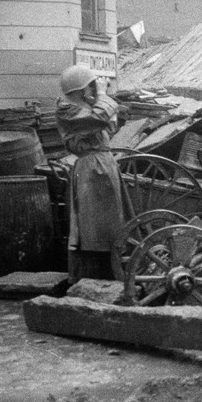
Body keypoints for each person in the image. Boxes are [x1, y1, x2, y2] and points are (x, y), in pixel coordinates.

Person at [55, 65, 124, 282]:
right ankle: (96, 277)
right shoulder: (67, 109)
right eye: (91, 86)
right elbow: (99, 119)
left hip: (102, 165)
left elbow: (108, 127)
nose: (95, 89)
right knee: (94, 229)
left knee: (109, 227)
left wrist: (98, 100)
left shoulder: (84, 107)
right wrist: (102, 96)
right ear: (82, 88)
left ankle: (110, 272)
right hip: (92, 169)